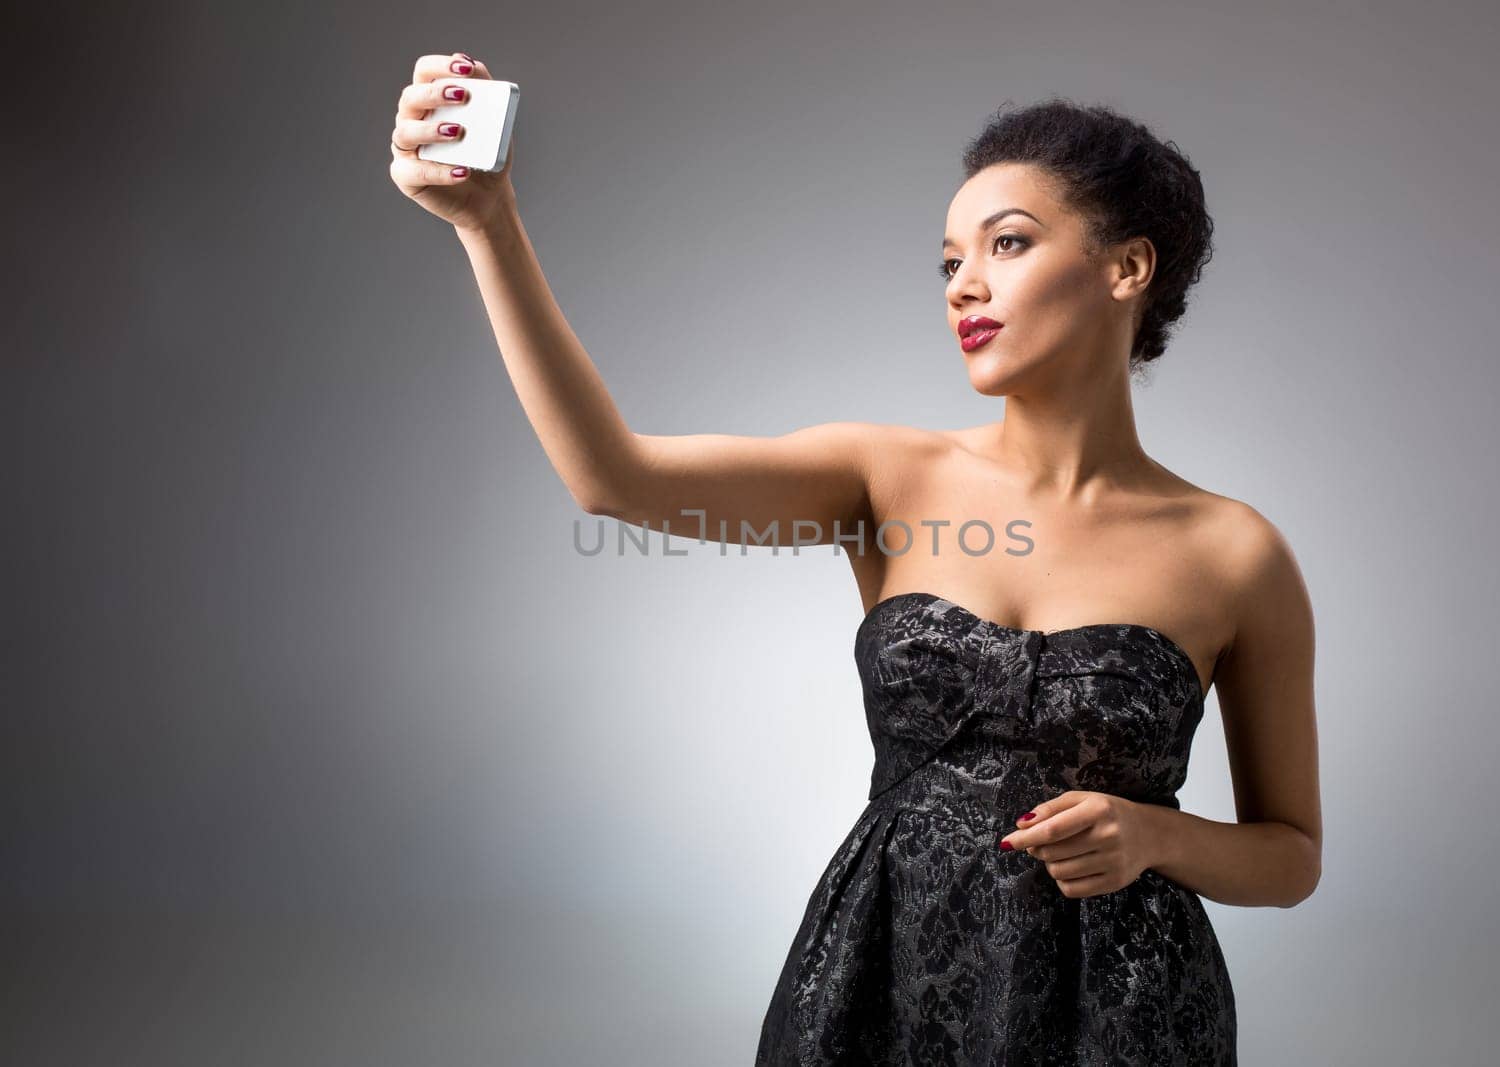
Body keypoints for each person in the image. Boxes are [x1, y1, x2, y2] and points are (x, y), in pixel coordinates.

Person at [390, 52, 1321, 1067]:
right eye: (947, 260)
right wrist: (488, 223)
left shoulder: (1234, 551)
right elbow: (614, 476)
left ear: (1125, 266)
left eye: (1006, 244)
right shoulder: (884, 478)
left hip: (1126, 1012)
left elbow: (1290, 855)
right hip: (883, 978)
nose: (964, 282)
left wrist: (1156, 835)